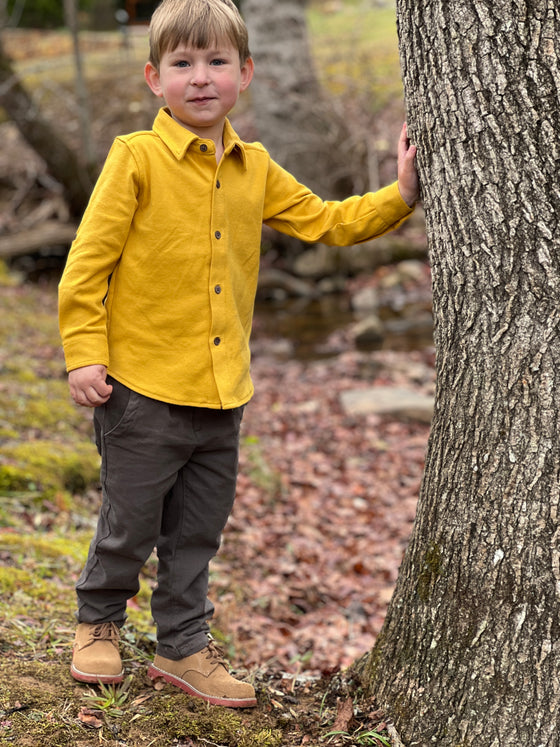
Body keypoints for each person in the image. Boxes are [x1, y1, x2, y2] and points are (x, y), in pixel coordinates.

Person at [58, 0, 419, 709]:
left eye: (217, 62)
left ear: (246, 74)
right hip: (140, 389)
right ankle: (97, 621)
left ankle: (183, 646)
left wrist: (401, 195)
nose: (200, 78)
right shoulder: (135, 158)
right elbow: (86, 266)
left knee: (196, 532)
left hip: (222, 396)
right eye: (182, 64)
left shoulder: (255, 168)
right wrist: (82, 354)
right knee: (130, 519)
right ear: (153, 78)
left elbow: (327, 220)